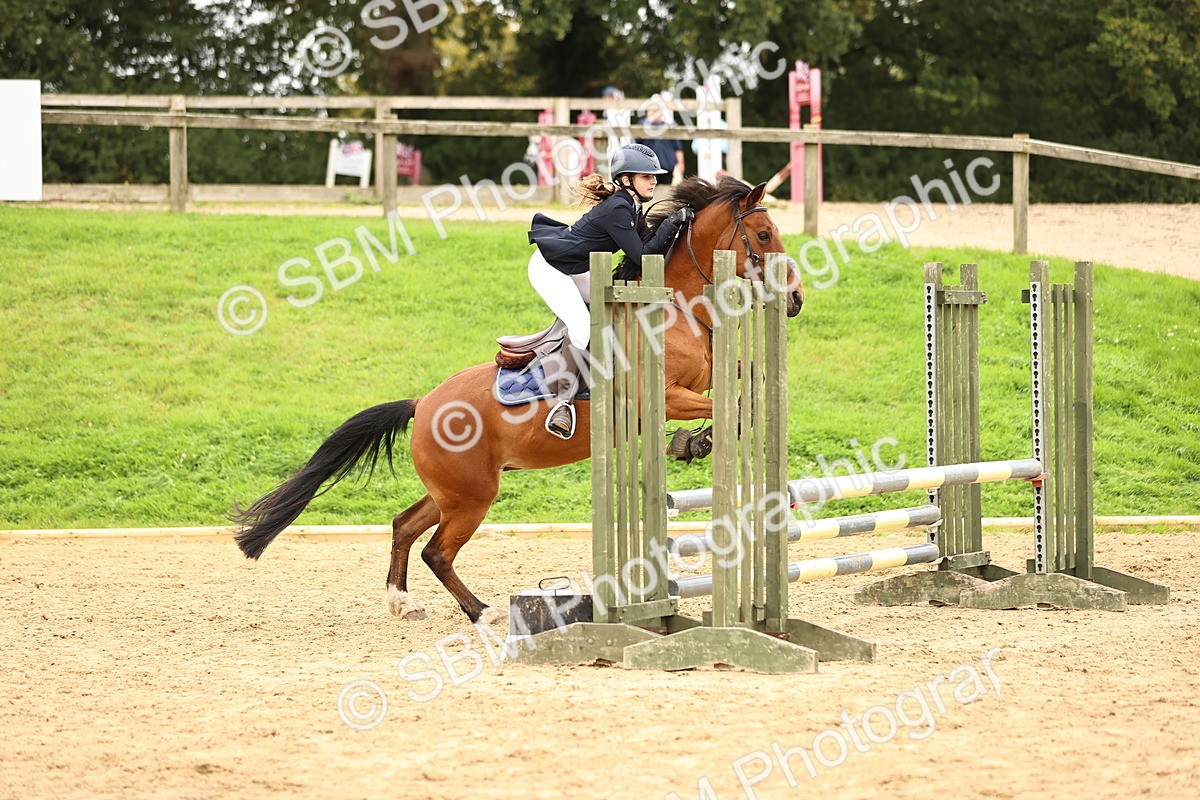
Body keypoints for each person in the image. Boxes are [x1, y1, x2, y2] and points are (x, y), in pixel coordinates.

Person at [527, 143, 694, 439]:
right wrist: (670, 223)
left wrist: (676, 226)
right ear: (626, 179)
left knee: (612, 312)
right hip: (550, 268)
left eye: (654, 176)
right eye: (646, 176)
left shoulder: (631, 205)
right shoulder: (619, 207)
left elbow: (651, 248)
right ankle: (561, 404)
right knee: (581, 326)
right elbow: (642, 256)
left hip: (574, 268)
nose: (654, 180)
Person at [635, 103, 685, 186]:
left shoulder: (669, 127)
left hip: (666, 167)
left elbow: (677, 147)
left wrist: (681, 162)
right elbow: (636, 141)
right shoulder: (642, 125)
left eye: (656, 111)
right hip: (648, 168)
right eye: (652, 111)